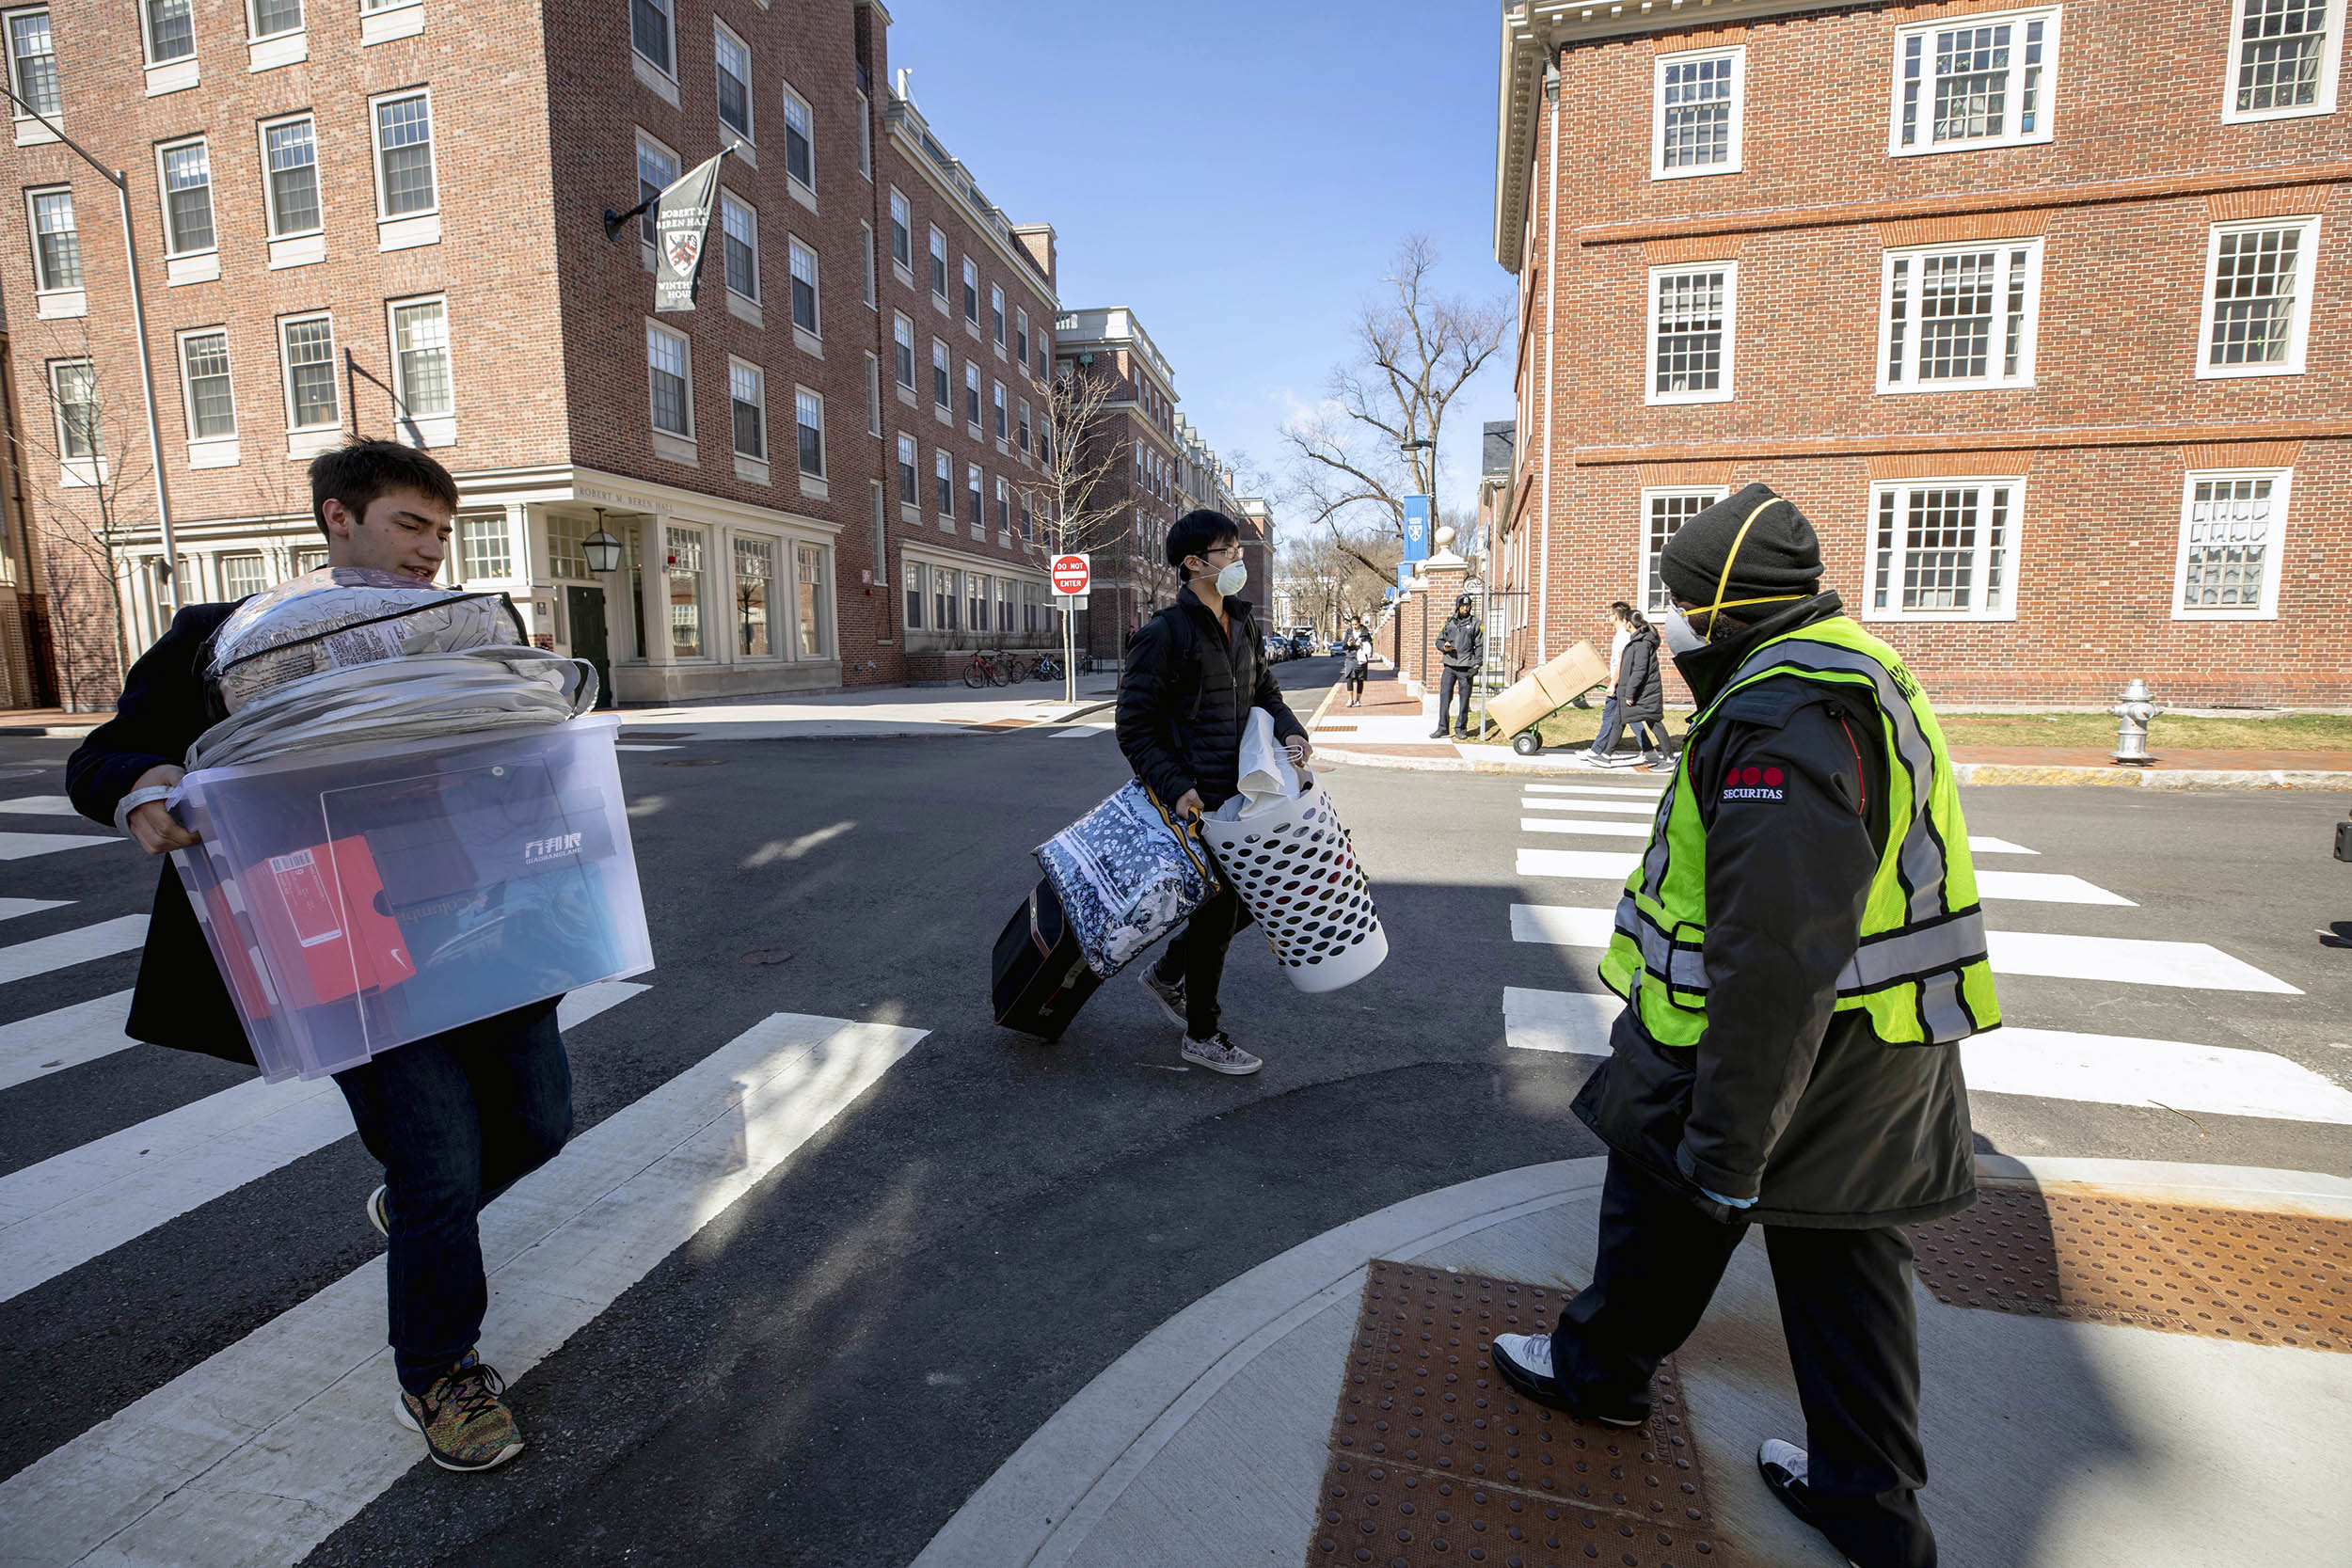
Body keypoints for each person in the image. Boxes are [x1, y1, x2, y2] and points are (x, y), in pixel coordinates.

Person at [1486, 483, 1996, 1568]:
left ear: (1722, 606)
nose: (1663, 623)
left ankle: (1599, 1377)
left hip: (1768, 1052)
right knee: (1843, 1279)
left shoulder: (1781, 717)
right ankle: (1867, 1506)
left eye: (1675, 602)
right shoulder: (1841, 664)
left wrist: (1727, 1142)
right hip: (1872, 1049)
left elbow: (1773, 956)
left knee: (1664, 1207)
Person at [66, 439, 570, 1475]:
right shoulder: (228, 642)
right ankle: (441, 1369)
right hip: (338, 924)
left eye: (442, 530)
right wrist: (147, 782)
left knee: (538, 1123)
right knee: (435, 1155)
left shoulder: (468, 628)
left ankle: (427, 1213)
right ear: (339, 517)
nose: (433, 549)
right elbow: (100, 753)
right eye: (409, 524)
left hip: (483, 911)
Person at [1119, 509, 1312, 1077]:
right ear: (1194, 564)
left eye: (1236, 550)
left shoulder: (1245, 624)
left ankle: (1168, 975)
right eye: (1227, 552)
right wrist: (1177, 788)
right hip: (1197, 802)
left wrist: (1291, 728)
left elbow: (1267, 691)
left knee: (1254, 898)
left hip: (1246, 795)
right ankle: (1201, 1033)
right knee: (1218, 911)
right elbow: (1134, 727)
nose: (1238, 561)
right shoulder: (1163, 634)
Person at [1582, 603, 1670, 768]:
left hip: (1642, 693)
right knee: (1619, 721)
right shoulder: (1636, 641)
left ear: (1629, 624)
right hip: (1633, 690)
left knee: (1653, 723)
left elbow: (1638, 670)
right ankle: (1606, 755)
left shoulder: (1641, 643)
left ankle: (1668, 758)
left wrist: (1626, 691)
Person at [1429, 594, 1482, 741]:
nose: (1465, 608)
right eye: (1463, 605)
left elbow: (1479, 646)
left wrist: (1477, 664)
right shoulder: (1449, 622)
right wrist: (1443, 647)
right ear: (1458, 606)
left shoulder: (1476, 623)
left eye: (1468, 606)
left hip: (1466, 667)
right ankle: (1442, 727)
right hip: (1449, 666)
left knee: (1464, 700)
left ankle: (1461, 728)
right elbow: (1439, 640)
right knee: (1445, 697)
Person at [1341, 614, 1374, 706]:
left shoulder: (1365, 633)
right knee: (1349, 678)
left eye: (1356, 624)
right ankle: (1350, 699)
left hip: (1361, 658)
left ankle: (1358, 700)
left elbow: (1370, 645)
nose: (1354, 626)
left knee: (1360, 679)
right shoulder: (1349, 632)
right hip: (1350, 657)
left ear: (1359, 623)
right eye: (1352, 625)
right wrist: (1348, 644)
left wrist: (1363, 645)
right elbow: (1344, 646)